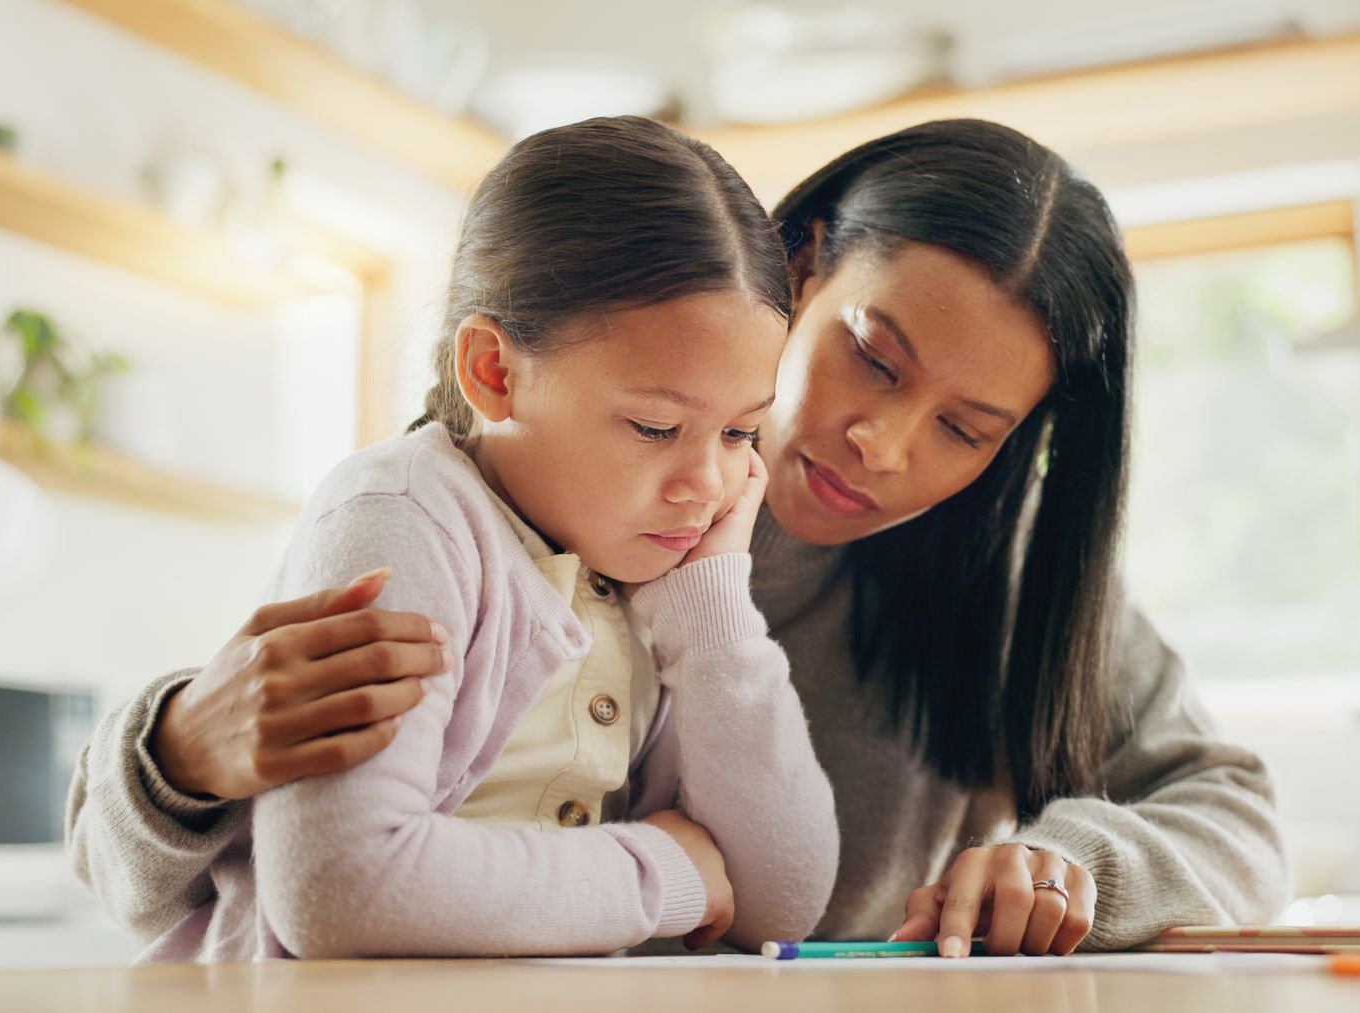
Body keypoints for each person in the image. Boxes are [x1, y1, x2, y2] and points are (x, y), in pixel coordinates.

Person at [69, 119, 1287, 961]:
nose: (883, 443)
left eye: (966, 429)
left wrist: (1076, 862)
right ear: (800, 264)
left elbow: (1232, 809)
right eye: (872, 355)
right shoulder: (538, 494)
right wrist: (174, 753)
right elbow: (231, 868)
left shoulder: (998, 577)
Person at [112, 115, 837, 962]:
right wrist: (663, 871)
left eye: (741, 434)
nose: (706, 485)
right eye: (652, 426)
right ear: (494, 372)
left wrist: (713, 609)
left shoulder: (655, 573)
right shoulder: (405, 513)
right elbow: (342, 889)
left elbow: (781, 902)